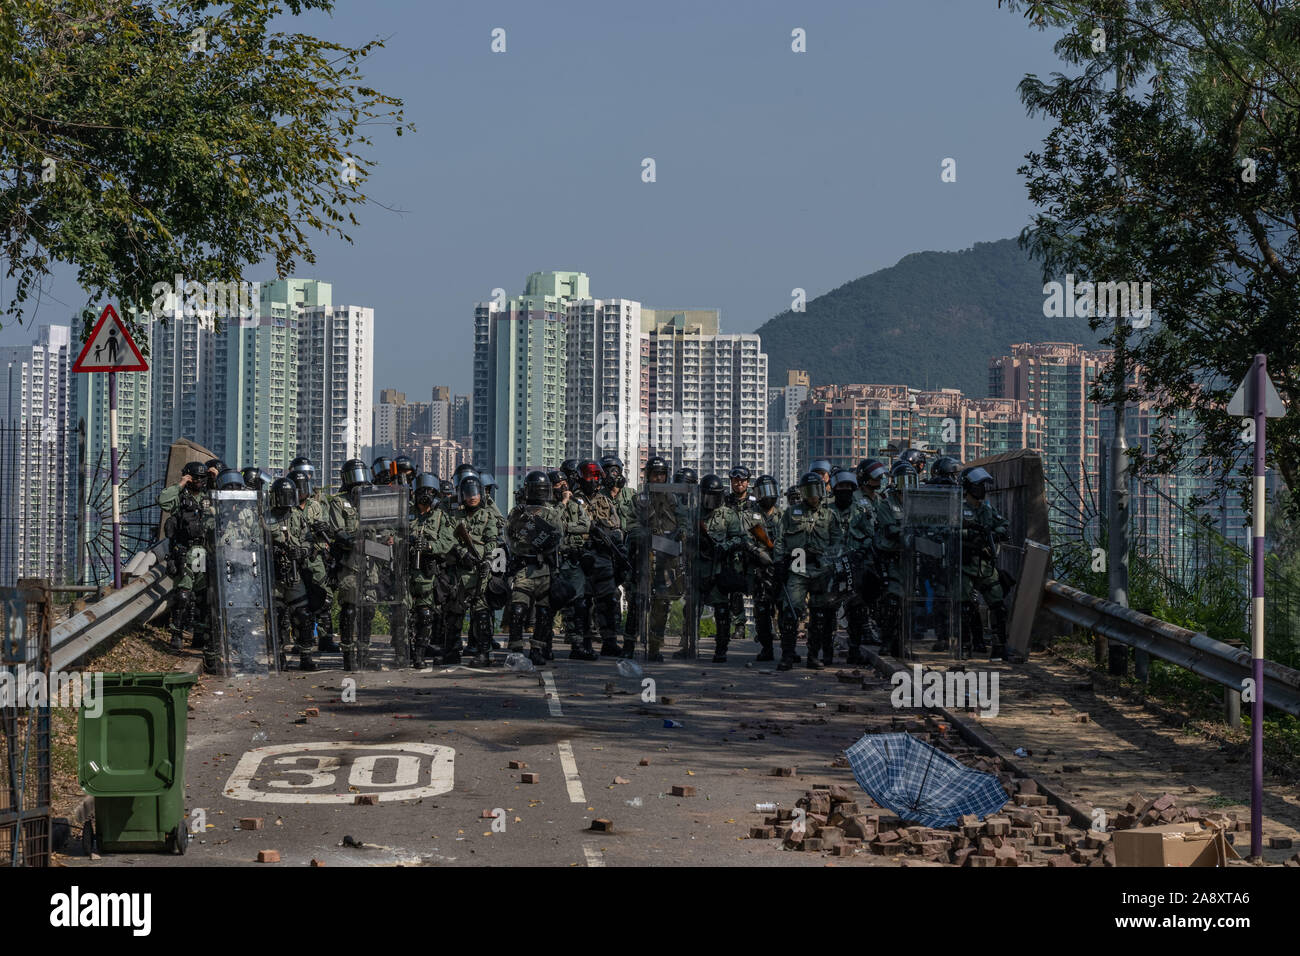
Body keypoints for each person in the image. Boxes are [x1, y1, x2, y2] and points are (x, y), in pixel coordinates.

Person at [773, 471, 842, 671]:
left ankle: (813, 656)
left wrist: (827, 557)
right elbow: (780, 539)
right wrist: (779, 562)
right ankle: (787, 656)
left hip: (821, 569)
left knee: (819, 615)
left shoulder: (829, 515)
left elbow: (838, 541)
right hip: (797, 567)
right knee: (790, 612)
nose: (812, 495)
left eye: (816, 491)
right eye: (808, 491)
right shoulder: (791, 513)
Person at [265, 477, 325, 671]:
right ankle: (278, 655)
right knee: (276, 617)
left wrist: (301, 551)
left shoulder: (297, 516)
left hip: (294, 572)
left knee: (303, 615)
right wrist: (270, 550)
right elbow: (254, 543)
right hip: (273, 575)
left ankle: (306, 655)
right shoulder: (265, 518)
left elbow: (308, 540)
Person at [504, 471, 563, 666]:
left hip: (544, 567)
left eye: (542, 489)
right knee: (518, 609)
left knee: (544, 613)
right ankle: (516, 648)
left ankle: (537, 648)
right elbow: (510, 538)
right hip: (524, 567)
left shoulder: (552, 514)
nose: (539, 492)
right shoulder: (518, 513)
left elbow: (556, 538)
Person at [446, 473, 503, 667]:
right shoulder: (455, 517)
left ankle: (483, 652)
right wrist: (462, 552)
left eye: (476, 493)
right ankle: (452, 650)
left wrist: (487, 561)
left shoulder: (488, 516)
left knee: (481, 613)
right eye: (468, 493)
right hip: (459, 572)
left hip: (480, 572)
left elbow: (492, 541)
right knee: (455, 612)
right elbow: (449, 539)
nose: (473, 497)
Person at [158, 461, 214, 657]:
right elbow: (164, 501)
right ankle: (177, 633)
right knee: (183, 594)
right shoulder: (180, 497)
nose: (198, 482)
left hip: (203, 550)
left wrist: (216, 480)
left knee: (202, 595)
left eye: (201, 478)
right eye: (195, 478)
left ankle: (199, 632)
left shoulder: (210, 496)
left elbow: (229, 505)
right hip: (185, 551)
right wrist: (181, 483)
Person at [576, 460, 630, 657]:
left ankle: (609, 641)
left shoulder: (605, 502)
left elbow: (616, 528)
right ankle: (584, 641)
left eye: (597, 477)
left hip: (603, 556)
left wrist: (616, 545)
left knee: (607, 600)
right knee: (583, 602)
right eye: (590, 476)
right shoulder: (574, 502)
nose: (594, 481)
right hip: (582, 556)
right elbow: (564, 527)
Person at [960, 467, 1011, 658]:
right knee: (965, 607)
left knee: (998, 605)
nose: (981, 489)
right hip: (966, 564)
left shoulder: (987, 509)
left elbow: (1003, 526)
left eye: (982, 486)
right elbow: (948, 531)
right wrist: (969, 534)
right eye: (978, 485)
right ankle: (965, 646)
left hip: (986, 566)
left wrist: (993, 535)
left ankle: (1000, 646)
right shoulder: (958, 508)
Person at [827, 470, 876, 666]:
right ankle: (826, 650)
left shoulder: (861, 510)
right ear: (834, 489)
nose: (844, 491)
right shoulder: (826, 510)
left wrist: (862, 551)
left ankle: (854, 649)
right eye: (841, 487)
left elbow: (871, 534)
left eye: (848, 488)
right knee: (828, 610)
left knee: (856, 610)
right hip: (831, 566)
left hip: (855, 566)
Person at [409, 472, 455, 668]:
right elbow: (389, 533)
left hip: (426, 573)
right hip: (404, 570)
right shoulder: (405, 512)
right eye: (422, 492)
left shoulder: (440, 516)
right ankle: (404, 651)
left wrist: (428, 547)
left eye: (429, 492)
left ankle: (419, 655)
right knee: (403, 615)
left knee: (425, 615)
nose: (425, 496)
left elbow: (447, 541)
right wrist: (407, 541)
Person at [697, 474, 746, 663]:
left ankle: (721, 649)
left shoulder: (728, 514)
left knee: (722, 610)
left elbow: (740, 538)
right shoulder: (695, 512)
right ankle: (687, 645)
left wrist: (724, 546)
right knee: (690, 608)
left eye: (714, 497)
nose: (710, 501)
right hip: (697, 567)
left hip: (718, 569)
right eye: (707, 496)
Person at [553, 467, 599, 661]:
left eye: (564, 482)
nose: (563, 486)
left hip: (573, 559)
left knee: (578, 604)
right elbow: (553, 524)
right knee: (549, 605)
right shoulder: (549, 506)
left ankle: (577, 644)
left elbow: (586, 525)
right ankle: (543, 645)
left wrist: (566, 527)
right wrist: (562, 504)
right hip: (554, 561)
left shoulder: (575, 504)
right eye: (557, 484)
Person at [750, 474, 783, 662]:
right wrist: (757, 552)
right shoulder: (750, 515)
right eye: (763, 492)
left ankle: (788, 649)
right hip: (759, 571)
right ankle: (766, 648)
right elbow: (744, 536)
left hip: (778, 569)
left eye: (771, 491)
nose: (768, 496)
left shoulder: (783, 516)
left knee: (784, 611)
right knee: (762, 611)